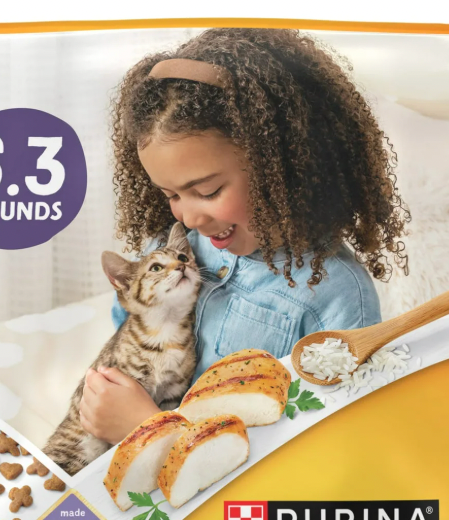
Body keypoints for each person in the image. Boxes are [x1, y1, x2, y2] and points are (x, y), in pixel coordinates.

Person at [80, 27, 408, 445]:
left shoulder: (336, 296)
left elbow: (337, 441)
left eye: (208, 191)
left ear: (281, 168)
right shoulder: (171, 250)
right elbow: (125, 343)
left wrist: (147, 427)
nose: (188, 217)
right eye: (171, 195)